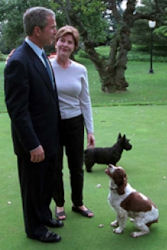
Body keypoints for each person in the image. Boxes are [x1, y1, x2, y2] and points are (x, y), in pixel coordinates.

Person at [4, 7, 64, 243]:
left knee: (46, 183)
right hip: (33, 144)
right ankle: (35, 228)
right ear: (37, 30)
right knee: (33, 187)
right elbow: (18, 110)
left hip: (49, 137)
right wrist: (33, 144)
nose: (55, 31)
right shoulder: (19, 61)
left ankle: (44, 215)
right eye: (52, 27)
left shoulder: (40, 55)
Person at [50, 25, 95, 220]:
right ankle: (59, 204)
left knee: (76, 166)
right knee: (55, 166)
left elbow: (85, 101)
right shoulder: (46, 66)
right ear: (56, 42)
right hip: (52, 124)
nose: (65, 45)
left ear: (74, 47)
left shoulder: (80, 70)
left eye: (70, 42)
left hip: (75, 123)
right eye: (62, 40)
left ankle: (78, 203)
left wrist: (90, 130)